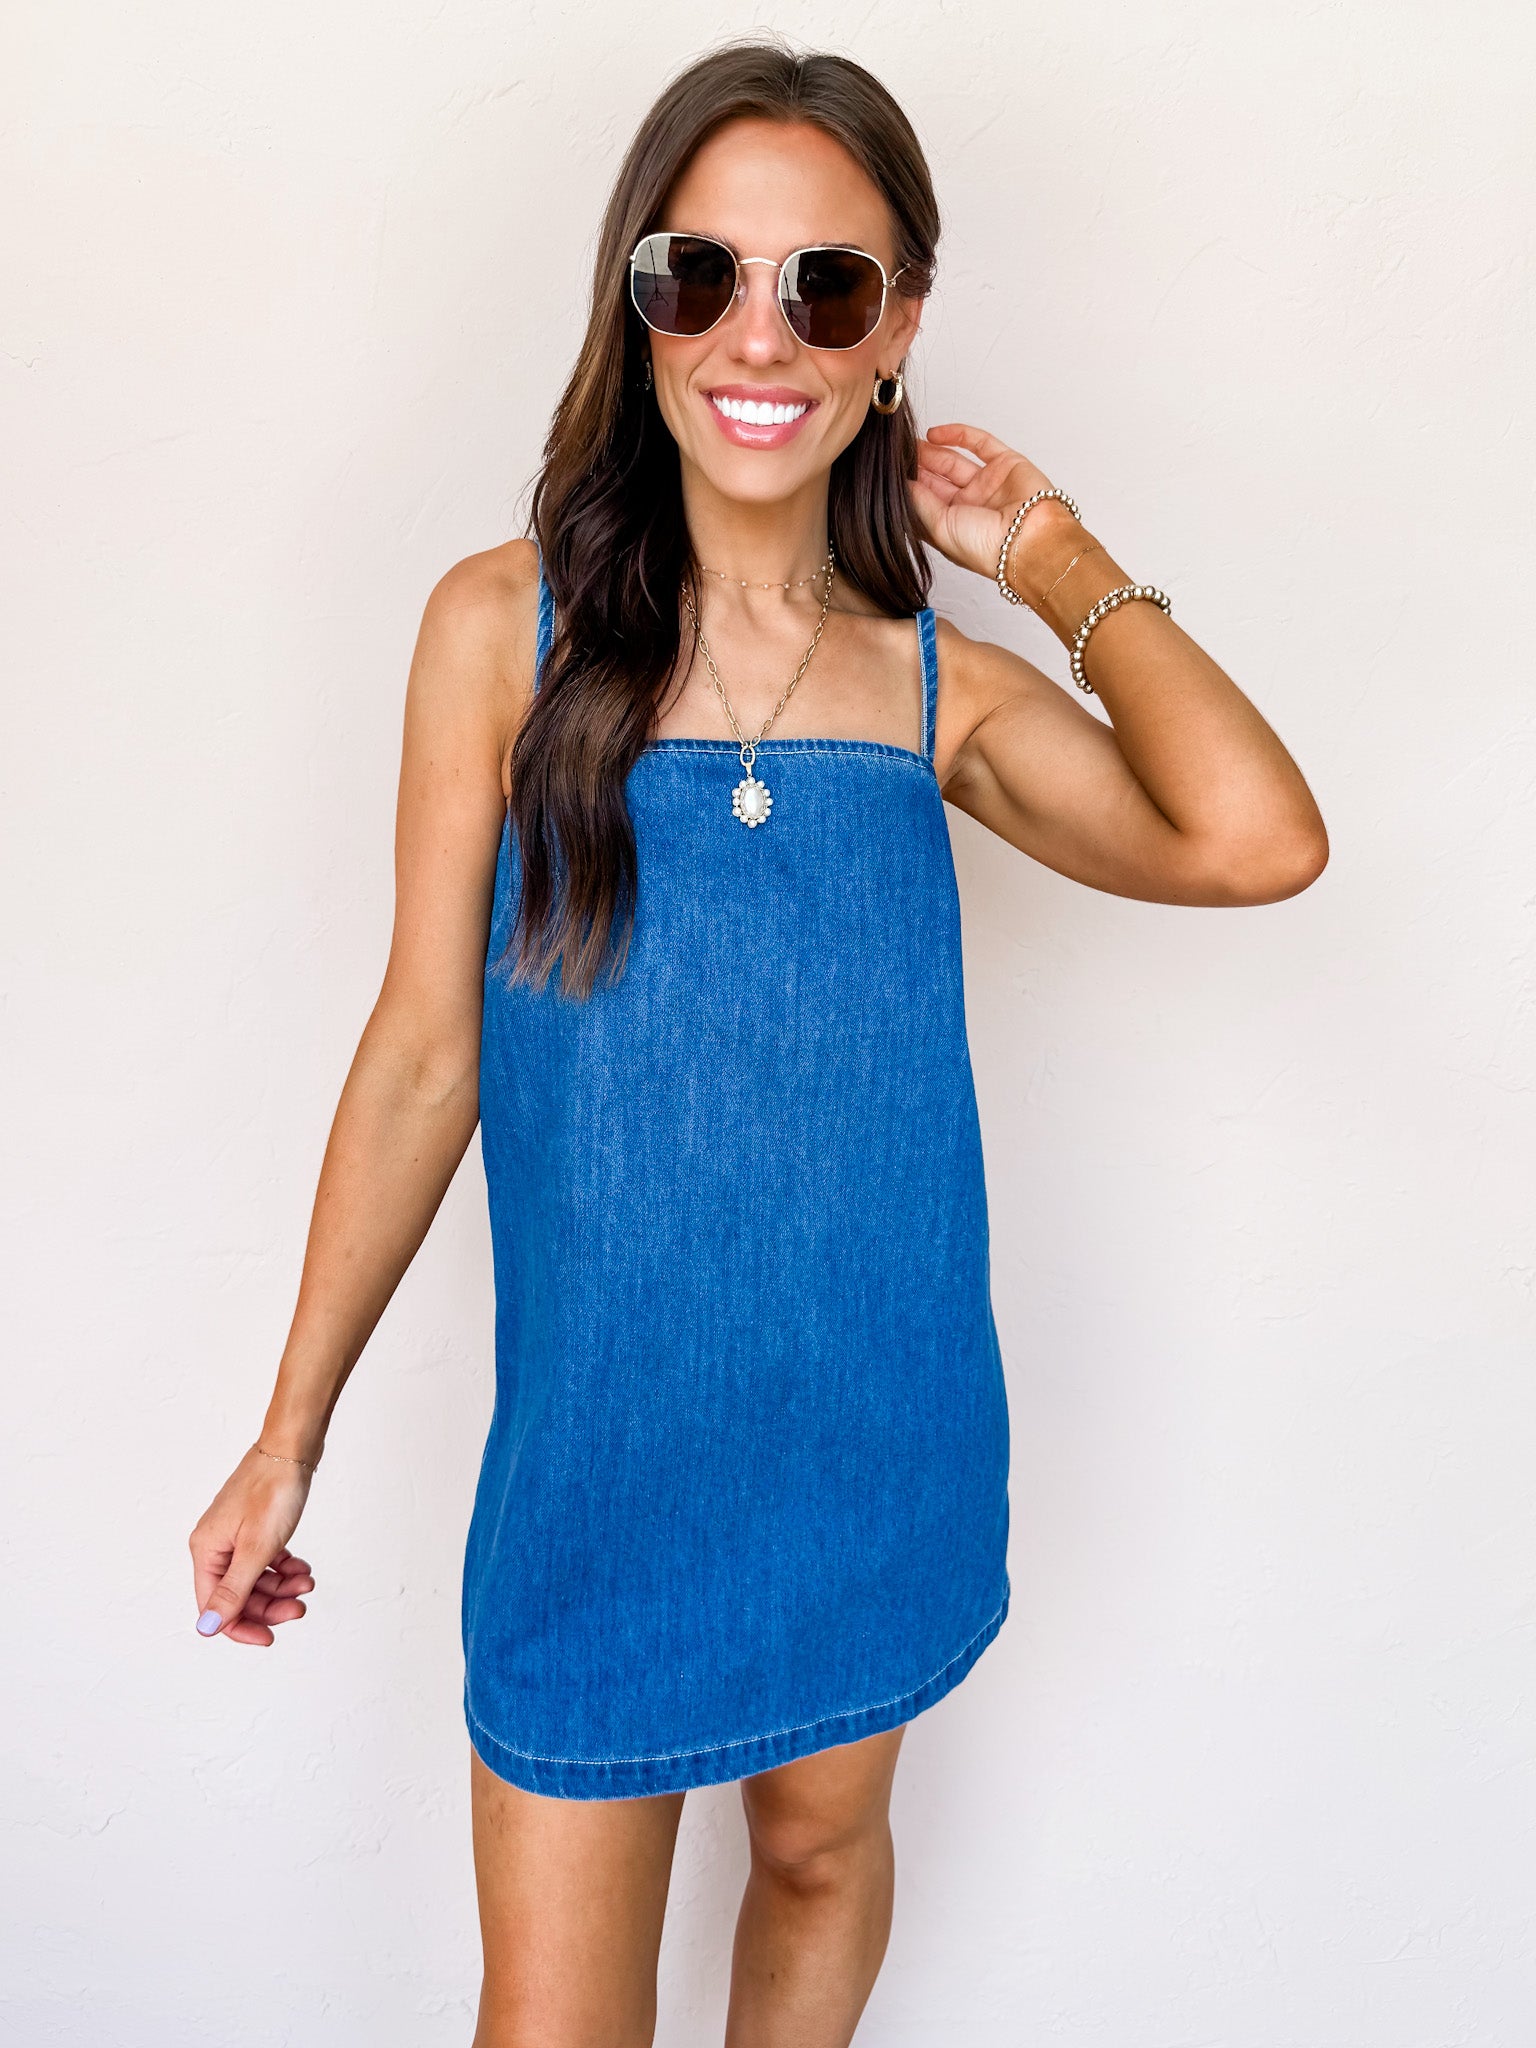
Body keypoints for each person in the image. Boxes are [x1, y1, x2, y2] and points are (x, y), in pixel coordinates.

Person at [187, 38, 1327, 2048]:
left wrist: (1051, 552)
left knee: (815, 1860)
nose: (759, 334)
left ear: (899, 327)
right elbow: (425, 1056)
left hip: (878, 1441)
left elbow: (1257, 840)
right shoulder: (500, 631)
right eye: (699, 272)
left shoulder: (937, 691)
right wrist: (291, 1433)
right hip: (599, 1468)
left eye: (829, 284)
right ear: (634, 300)